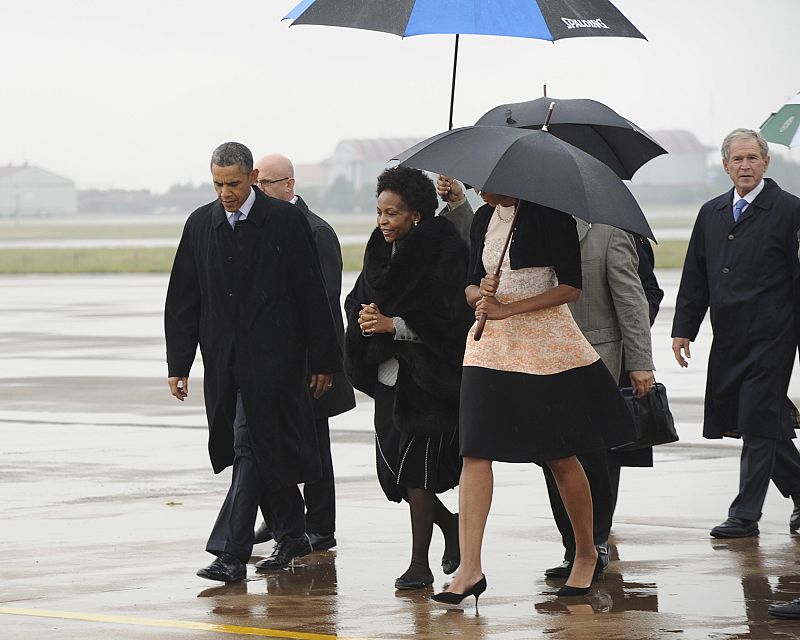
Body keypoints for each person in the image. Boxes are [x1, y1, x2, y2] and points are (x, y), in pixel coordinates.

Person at [433, 190, 634, 605]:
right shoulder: (484, 216)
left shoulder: (550, 214)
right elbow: (470, 284)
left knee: (559, 455)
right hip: (488, 343)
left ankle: (584, 553)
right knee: (474, 451)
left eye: (487, 181)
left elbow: (571, 288)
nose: (479, 189)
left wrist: (513, 307)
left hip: (544, 343)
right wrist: (479, 294)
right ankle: (470, 569)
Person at [165, 142, 341, 582]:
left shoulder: (284, 222)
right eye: (218, 184)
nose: (226, 192)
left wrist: (323, 359)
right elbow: (183, 299)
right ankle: (292, 531)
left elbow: (311, 294)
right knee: (259, 448)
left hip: (276, 363)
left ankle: (230, 551)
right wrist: (179, 362)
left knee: (248, 445)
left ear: (251, 178)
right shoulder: (200, 224)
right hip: (223, 361)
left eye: (234, 184)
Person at [344, 166, 472, 590]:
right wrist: (365, 317)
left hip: (430, 380)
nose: (382, 222)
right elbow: (360, 297)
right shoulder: (379, 251)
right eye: (379, 212)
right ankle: (450, 525)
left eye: (392, 213)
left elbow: (450, 318)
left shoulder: (444, 249)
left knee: (417, 472)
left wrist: (395, 324)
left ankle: (420, 564)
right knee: (394, 474)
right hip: (388, 375)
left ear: (416, 214)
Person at [672, 128, 800, 539]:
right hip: (729, 336)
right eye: (737, 160)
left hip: (774, 334)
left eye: (752, 158)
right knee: (760, 419)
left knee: (759, 421)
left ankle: (745, 515)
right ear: (725, 166)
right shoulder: (710, 212)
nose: (745, 166)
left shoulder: (789, 210)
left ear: (766, 163)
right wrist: (683, 329)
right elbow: (695, 274)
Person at [250, 153, 356, 559]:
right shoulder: (266, 228)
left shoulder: (316, 231)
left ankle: (321, 527)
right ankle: (284, 519)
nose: (258, 193)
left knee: (315, 446)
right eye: (256, 185)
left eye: (265, 185)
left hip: (313, 362)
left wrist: (321, 363)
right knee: (278, 443)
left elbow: (325, 302)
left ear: (290, 185)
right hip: (279, 360)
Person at [543, 218, 656, 578]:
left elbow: (631, 299)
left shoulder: (610, 231)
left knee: (595, 456)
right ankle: (571, 546)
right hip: (545, 357)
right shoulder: (535, 228)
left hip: (598, 359)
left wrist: (639, 362)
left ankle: (596, 542)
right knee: (553, 457)